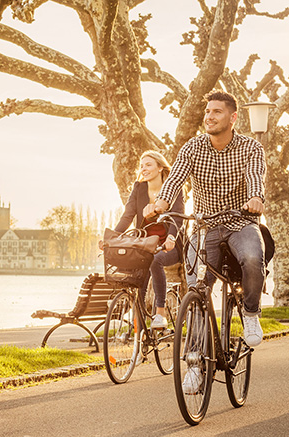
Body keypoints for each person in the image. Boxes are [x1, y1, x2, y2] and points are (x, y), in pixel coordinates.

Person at [144, 90, 266, 352]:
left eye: (217, 112)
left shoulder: (251, 147)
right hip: (204, 227)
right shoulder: (192, 147)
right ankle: (195, 361)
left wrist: (256, 197)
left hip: (240, 222)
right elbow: (175, 178)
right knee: (196, 291)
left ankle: (251, 313)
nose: (209, 117)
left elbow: (256, 176)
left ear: (233, 118)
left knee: (254, 259)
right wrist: (161, 204)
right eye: (207, 111)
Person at [114, 150, 185, 328]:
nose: (143, 169)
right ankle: (138, 320)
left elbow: (178, 217)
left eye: (148, 164)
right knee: (138, 270)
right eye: (142, 166)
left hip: (169, 245)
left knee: (155, 260)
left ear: (160, 167)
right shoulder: (138, 188)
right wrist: (112, 237)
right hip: (145, 243)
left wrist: (170, 238)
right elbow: (128, 216)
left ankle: (160, 313)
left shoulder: (174, 188)